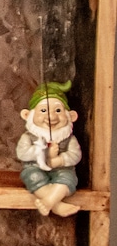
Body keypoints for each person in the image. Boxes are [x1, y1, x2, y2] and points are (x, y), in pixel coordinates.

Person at [16, 81, 81, 217]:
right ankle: (56, 205)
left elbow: (75, 155)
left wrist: (60, 160)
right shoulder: (28, 137)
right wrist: (43, 153)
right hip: (35, 168)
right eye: (43, 110)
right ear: (28, 115)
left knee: (67, 179)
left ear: (71, 116)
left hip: (62, 169)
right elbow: (22, 153)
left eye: (58, 110)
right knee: (33, 177)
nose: (51, 117)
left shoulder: (69, 139)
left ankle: (48, 201)